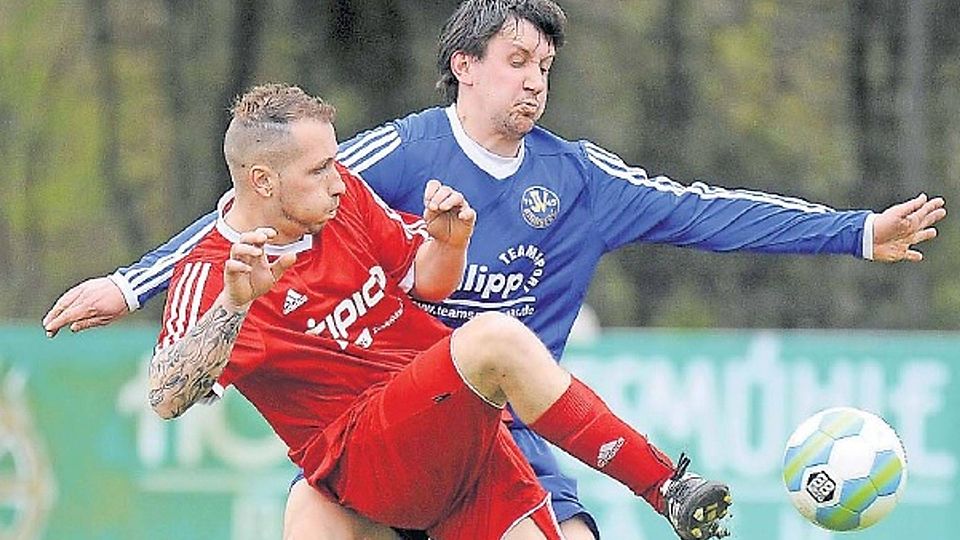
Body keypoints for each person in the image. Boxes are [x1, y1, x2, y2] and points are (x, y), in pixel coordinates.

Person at [42, 1, 946, 538]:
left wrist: (855, 232)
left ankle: (653, 489)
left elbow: (701, 210)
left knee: (495, 362)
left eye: (545, 65)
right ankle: (665, 483)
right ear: (462, 66)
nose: (534, 79)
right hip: (375, 439)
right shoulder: (380, 159)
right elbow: (233, 225)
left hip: (500, 435)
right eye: (517, 59)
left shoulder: (572, 178)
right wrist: (133, 284)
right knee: (465, 363)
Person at [151, 82, 732, 540]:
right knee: (494, 341)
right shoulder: (211, 272)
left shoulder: (345, 199)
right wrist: (235, 304)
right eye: (319, 169)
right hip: (364, 455)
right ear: (262, 180)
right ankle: (666, 488)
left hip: (452, 440)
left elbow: (425, 279)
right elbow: (166, 397)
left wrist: (450, 241)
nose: (338, 178)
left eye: (334, 161)